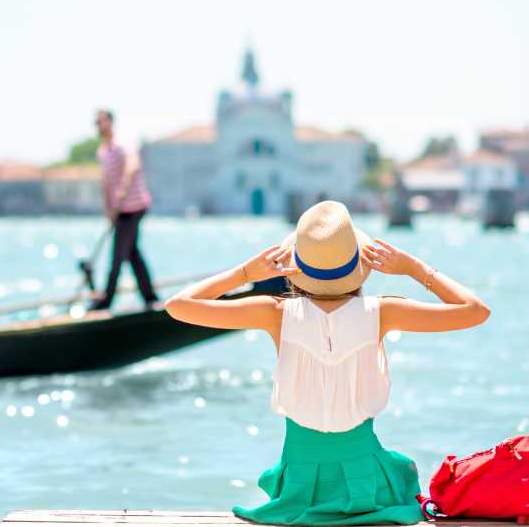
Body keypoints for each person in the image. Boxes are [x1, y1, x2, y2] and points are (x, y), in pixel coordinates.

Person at [164, 200, 490, 525]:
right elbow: (475, 310)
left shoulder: (275, 314)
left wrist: (245, 273)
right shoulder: (383, 312)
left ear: (299, 267)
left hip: (299, 487)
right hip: (368, 484)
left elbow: (178, 306)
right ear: (357, 266)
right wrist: (414, 268)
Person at [89, 108, 158, 311]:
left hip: (134, 207)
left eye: (101, 122)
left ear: (110, 122)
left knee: (118, 254)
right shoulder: (103, 151)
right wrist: (108, 209)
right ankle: (150, 297)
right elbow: (106, 182)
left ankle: (106, 301)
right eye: (96, 123)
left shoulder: (123, 144)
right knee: (132, 253)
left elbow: (133, 164)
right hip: (119, 211)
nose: (99, 126)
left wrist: (123, 188)